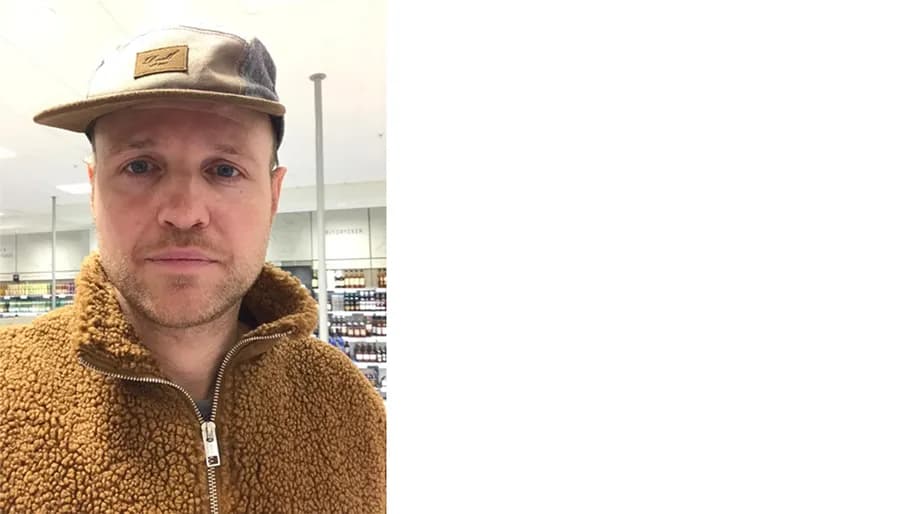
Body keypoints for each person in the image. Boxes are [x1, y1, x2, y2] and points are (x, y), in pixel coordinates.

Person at [0, 25, 385, 513]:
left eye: (224, 169)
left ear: (273, 196)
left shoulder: (347, 404)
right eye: (140, 166)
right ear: (95, 191)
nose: (184, 213)